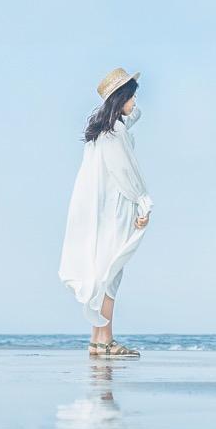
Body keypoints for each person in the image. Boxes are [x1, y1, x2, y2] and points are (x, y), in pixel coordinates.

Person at [58, 67, 153, 359]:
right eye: (131, 97)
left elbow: (133, 116)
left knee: (105, 270)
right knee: (111, 271)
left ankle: (98, 340)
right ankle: (106, 340)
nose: (135, 103)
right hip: (118, 206)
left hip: (101, 209)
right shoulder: (115, 133)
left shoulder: (101, 132)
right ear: (121, 98)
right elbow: (125, 171)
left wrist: (125, 93)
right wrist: (143, 202)